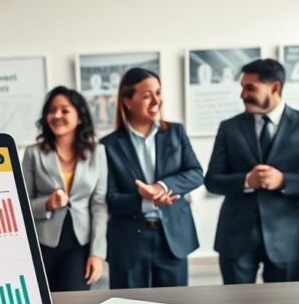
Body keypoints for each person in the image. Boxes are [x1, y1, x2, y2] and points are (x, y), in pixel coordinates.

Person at [205, 59, 299, 284]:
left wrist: (283, 181)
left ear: (275, 87)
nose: (242, 94)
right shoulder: (229, 127)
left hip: (287, 236)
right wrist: (246, 181)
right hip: (235, 236)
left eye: (250, 87)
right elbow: (212, 180)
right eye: (242, 87)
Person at [100, 68, 204, 289]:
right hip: (128, 241)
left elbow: (196, 173)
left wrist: (161, 187)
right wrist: (149, 201)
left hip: (172, 239)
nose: (157, 100)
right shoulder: (108, 145)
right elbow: (110, 198)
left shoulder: (176, 132)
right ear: (127, 101)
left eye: (158, 92)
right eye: (147, 95)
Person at [22, 87, 107, 291]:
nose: (57, 115)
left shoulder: (98, 152)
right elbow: (21, 205)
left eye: (65, 110)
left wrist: (97, 253)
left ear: (79, 117)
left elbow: (99, 205)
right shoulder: (33, 153)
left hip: (80, 244)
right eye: (51, 110)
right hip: (42, 243)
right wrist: (47, 204)